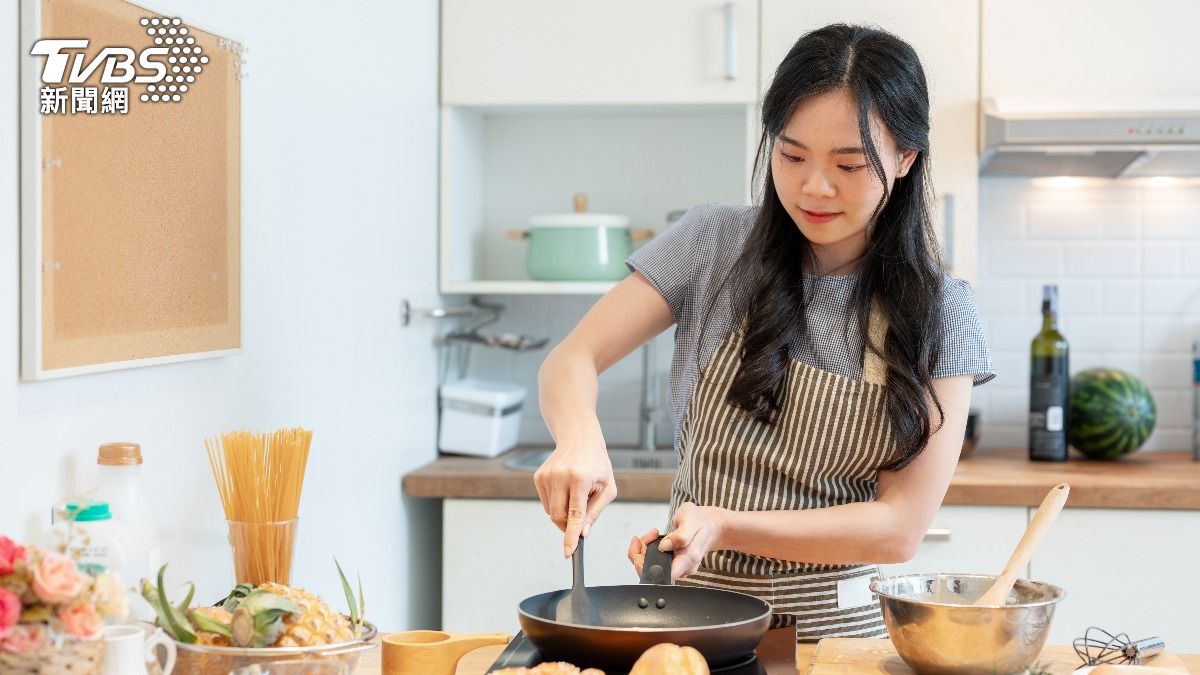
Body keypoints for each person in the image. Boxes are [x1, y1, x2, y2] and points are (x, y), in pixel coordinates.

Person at [533, 23, 994, 640]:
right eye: (792, 154)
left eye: (849, 164)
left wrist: (725, 524)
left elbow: (899, 527)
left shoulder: (941, 310)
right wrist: (578, 440)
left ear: (906, 159)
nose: (814, 187)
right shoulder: (712, 245)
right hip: (693, 629)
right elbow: (572, 358)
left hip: (840, 641)